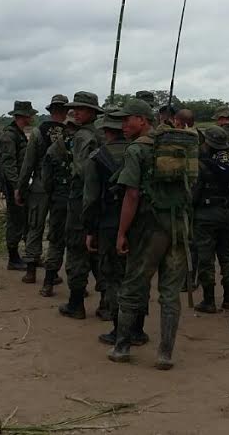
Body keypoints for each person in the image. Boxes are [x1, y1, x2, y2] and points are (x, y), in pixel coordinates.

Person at [108, 99, 190, 370]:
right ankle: (165, 353)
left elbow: (131, 194)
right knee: (170, 292)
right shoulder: (178, 143)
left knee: (133, 285)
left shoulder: (137, 149)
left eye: (127, 119)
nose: (123, 125)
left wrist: (121, 232)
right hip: (178, 225)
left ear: (143, 120)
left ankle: (121, 347)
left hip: (148, 227)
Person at [83, 107, 137, 344]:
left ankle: (118, 329)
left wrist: (89, 230)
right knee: (135, 276)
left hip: (108, 223)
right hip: (138, 221)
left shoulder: (98, 157)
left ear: (106, 130)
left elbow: (91, 199)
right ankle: (137, 329)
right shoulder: (139, 152)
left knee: (113, 276)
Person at [60, 92, 106, 319]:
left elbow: (81, 170)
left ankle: (75, 304)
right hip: (103, 201)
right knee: (98, 252)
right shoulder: (104, 133)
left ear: (91, 112)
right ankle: (107, 304)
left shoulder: (82, 136)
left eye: (80, 109)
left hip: (82, 200)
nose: (75, 112)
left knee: (77, 250)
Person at [18, 95, 68, 285]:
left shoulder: (39, 132)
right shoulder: (71, 132)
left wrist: (20, 188)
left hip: (39, 185)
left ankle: (31, 270)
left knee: (35, 226)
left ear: (50, 111)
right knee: (57, 231)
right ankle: (52, 272)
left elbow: (28, 163)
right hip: (61, 188)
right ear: (66, 111)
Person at [192, 127, 229, 314]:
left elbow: (194, 195)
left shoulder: (201, 164)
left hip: (206, 216)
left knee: (206, 259)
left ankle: (209, 301)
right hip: (228, 214)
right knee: (228, 258)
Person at [3, 101, 37, 268]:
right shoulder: (10, 135)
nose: (32, 117)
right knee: (15, 221)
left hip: (20, 184)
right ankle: (13, 257)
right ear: (24, 116)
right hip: (13, 186)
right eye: (30, 114)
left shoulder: (19, 133)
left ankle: (25, 255)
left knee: (24, 220)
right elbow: (9, 163)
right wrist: (17, 186)